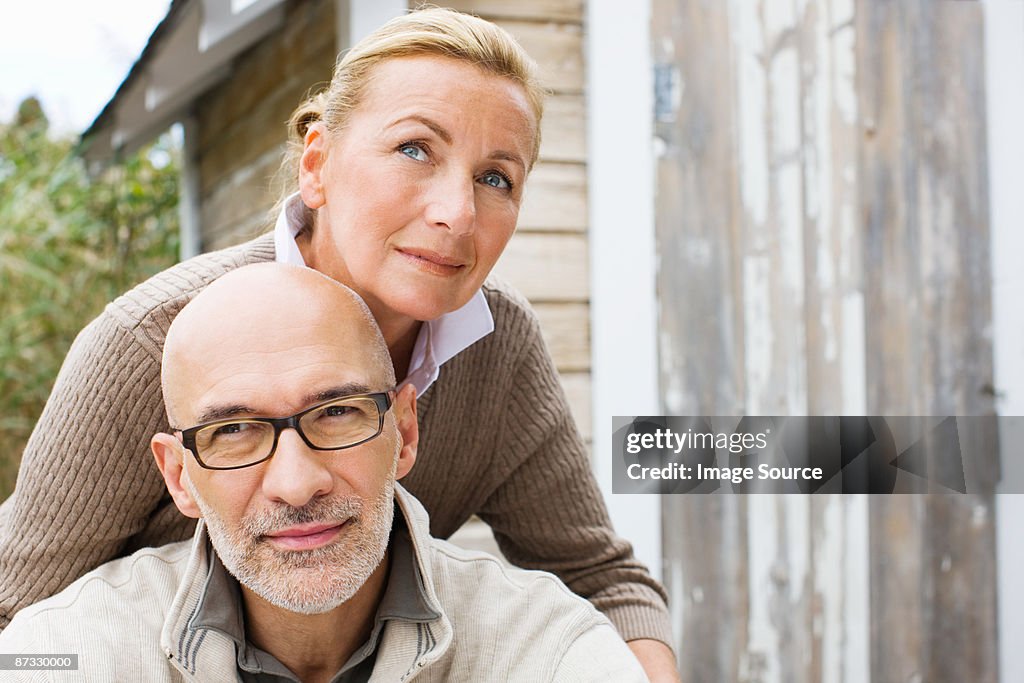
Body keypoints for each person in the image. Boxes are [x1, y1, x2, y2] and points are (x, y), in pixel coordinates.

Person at [0, 8, 678, 679]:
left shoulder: (496, 348)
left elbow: (602, 581)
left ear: (403, 425)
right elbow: (13, 612)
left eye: (495, 177)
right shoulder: (150, 343)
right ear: (317, 165)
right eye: (415, 149)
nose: (457, 213)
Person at [0, 263, 648, 682]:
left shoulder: (546, 650)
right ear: (178, 477)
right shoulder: (71, 651)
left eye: (336, 412)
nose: (296, 481)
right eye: (233, 430)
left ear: (405, 432)